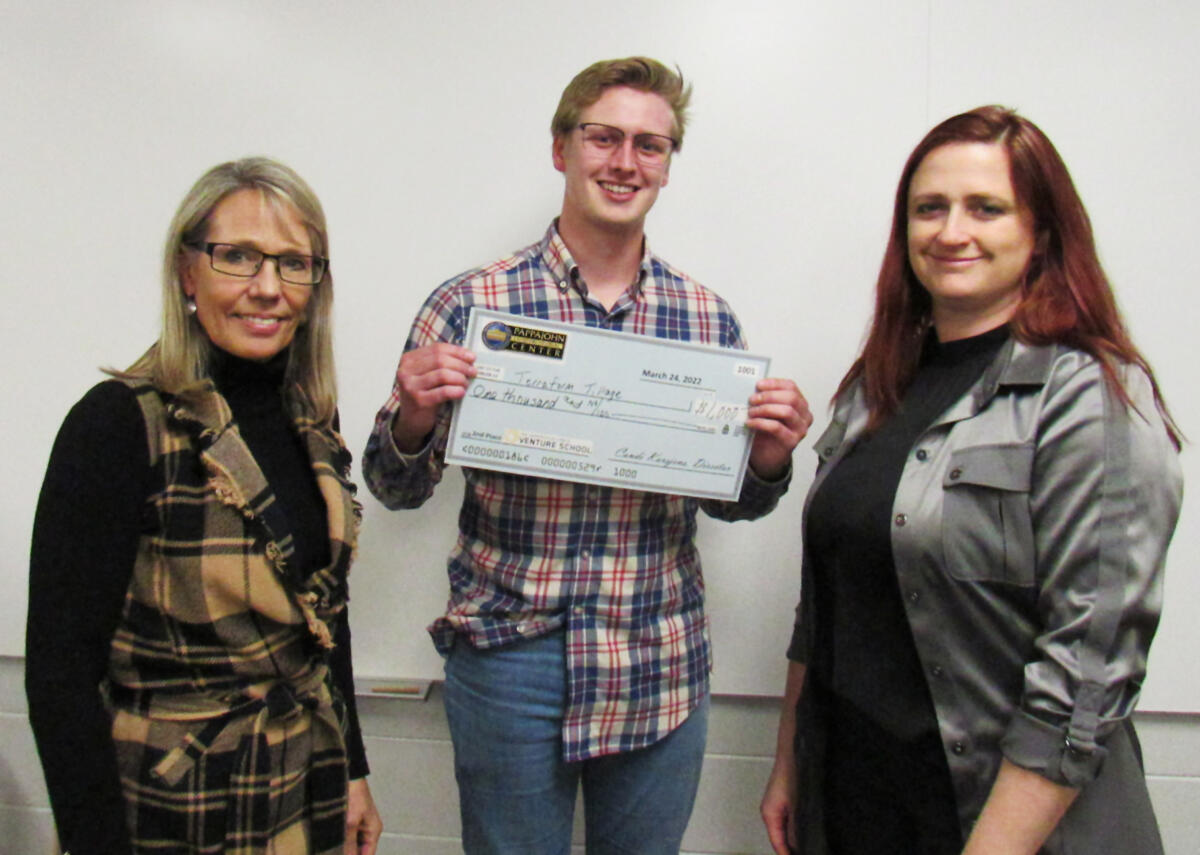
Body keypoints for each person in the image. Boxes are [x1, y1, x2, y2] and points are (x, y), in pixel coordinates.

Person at [362, 57, 812, 854]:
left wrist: (768, 457)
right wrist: (416, 415)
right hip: (510, 657)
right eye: (603, 137)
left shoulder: (707, 320)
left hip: (658, 655)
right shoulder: (472, 303)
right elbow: (393, 488)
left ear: (669, 165)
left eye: (649, 144)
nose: (624, 161)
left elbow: (735, 500)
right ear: (561, 148)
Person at [760, 105, 1183, 855]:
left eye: (985, 207)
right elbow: (826, 597)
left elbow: (1088, 671)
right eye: (930, 208)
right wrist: (791, 758)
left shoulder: (1091, 396)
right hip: (856, 804)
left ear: (1043, 232)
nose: (952, 231)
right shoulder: (876, 386)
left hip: (1000, 826)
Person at [26, 157, 383, 855]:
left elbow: (323, 619)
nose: (268, 288)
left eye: (294, 263)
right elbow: (60, 669)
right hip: (173, 800)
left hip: (300, 783)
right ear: (188, 272)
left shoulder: (312, 419)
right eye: (238, 257)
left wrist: (355, 768)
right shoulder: (119, 424)